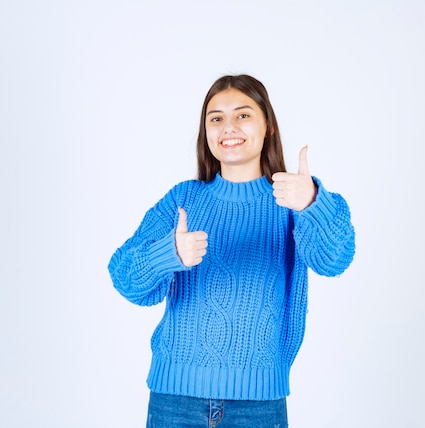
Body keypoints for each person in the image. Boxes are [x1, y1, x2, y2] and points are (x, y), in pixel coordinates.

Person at [108, 74, 355, 427]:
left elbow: (334, 259)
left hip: (258, 406)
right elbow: (125, 278)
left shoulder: (293, 198)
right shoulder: (184, 199)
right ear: (205, 131)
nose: (228, 127)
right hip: (175, 401)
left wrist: (313, 203)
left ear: (267, 125)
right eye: (216, 118)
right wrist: (169, 254)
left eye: (243, 115)